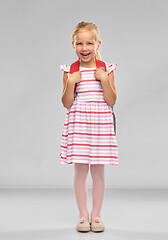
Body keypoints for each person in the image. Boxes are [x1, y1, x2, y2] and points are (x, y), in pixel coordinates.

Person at [60, 21, 118, 232]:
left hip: (100, 125)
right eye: (80, 44)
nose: (85, 48)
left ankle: (96, 216)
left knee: (98, 173)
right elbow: (66, 103)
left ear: (98, 44)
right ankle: (83, 216)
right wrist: (70, 84)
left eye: (90, 43)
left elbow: (111, 101)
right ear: (74, 45)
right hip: (80, 126)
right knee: (81, 172)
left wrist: (104, 80)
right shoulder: (70, 71)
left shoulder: (106, 69)